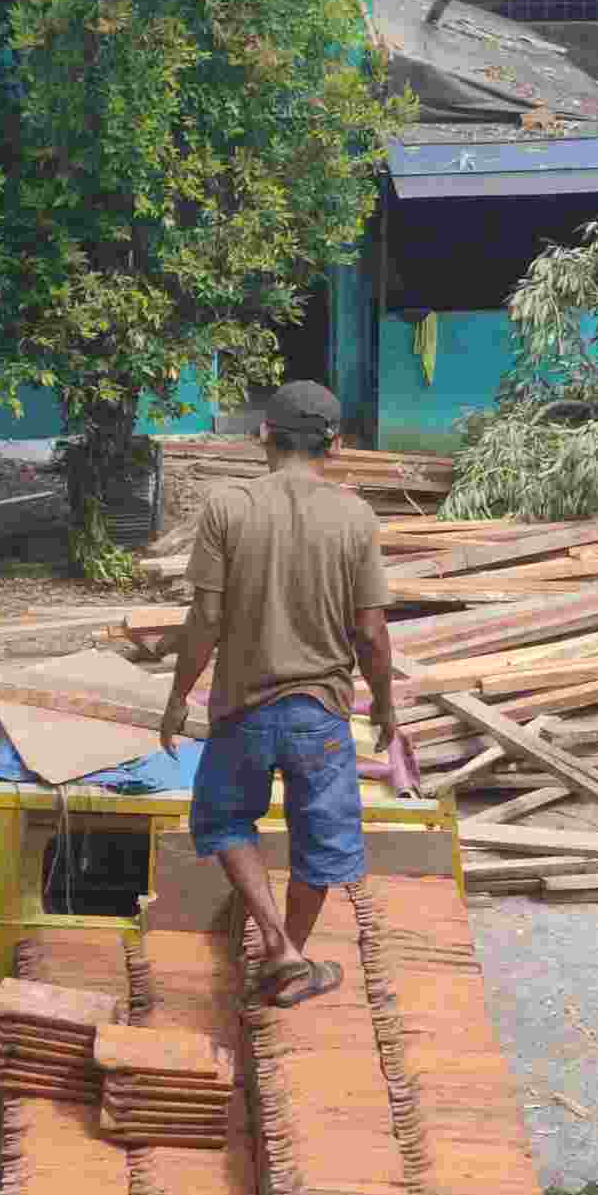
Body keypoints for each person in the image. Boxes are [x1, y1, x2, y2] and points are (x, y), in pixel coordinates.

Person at [159, 382, 397, 1008]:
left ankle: (277, 947)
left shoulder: (227, 508)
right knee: (322, 845)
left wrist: (179, 696)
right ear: (336, 444)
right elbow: (371, 632)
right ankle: (290, 951)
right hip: (320, 715)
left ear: (264, 435)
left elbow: (204, 619)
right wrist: (388, 708)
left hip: (241, 708)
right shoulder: (356, 518)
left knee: (224, 819)